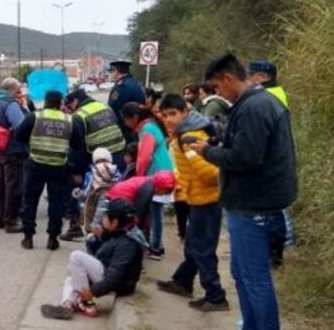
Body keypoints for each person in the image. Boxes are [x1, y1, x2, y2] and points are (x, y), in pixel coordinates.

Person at [187, 53, 297, 330]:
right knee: (241, 273)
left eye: (217, 86)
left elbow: (246, 158)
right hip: (248, 202)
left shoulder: (254, 106)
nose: (219, 93)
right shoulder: (252, 104)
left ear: (227, 79)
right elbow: (243, 142)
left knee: (255, 279)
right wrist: (217, 136)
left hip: (254, 205)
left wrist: (208, 151)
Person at [156, 94, 229, 311]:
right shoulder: (185, 132)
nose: (169, 119)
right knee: (193, 244)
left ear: (185, 113)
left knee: (202, 248)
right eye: (165, 115)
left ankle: (216, 297)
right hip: (198, 198)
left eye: (173, 114)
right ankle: (182, 281)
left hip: (207, 199)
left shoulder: (189, 137)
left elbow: (208, 171)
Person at [40, 198, 144, 320]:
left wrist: (92, 292)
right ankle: (68, 305)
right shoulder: (120, 234)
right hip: (109, 275)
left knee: (76, 257)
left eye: (105, 216)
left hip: (119, 284)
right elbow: (103, 254)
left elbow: (115, 275)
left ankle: (85, 303)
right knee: (72, 279)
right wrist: (100, 236)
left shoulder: (127, 244)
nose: (102, 218)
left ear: (114, 222)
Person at [14, 90, 74, 250]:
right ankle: (53, 239)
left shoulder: (35, 116)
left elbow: (18, 136)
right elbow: (76, 143)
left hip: (36, 164)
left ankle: (28, 238)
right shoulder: (68, 119)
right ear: (60, 103)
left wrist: (30, 146)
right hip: (59, 166)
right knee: (56, 204)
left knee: (30, 202)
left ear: (46, 102)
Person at [120, 102, 174, 259]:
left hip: (157, 174)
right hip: (161, 172)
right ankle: (156, 244)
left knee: (155, 212)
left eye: (126, 120)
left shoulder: (147, 129)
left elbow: (144, 156)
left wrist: (139, 176)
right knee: (154, 211)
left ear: (135, 117)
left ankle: (156, 247)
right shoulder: (150, 126)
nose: (125, 123)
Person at [0, 77, 29, 232]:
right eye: (18, 90)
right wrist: (24, 109)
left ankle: (0, 218)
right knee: (13, 186)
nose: (19, 94)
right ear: (12, 89)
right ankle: (11, 221)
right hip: (12, 149)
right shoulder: (11, 104)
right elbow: (21, 126)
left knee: (0, 184)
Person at [64, 89, 126, 172]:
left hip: (99, 162)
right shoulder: (105, 107)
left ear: (75, 101)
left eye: (69, 106)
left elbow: (77, 147)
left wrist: (75, 169)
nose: (69, 109)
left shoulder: (79, 115)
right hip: (120, 155)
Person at [107, 59, 145, 141]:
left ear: (116, 72)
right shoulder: (134, 83)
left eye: (112, 71)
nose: (111, 74)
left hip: (126, 129)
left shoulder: (122, 87)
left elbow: (112, 108)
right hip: (137, 125)